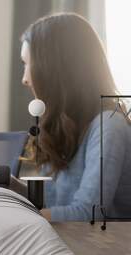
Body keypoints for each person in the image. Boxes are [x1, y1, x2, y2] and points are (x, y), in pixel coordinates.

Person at [17, 13, 131, 221]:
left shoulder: (109, 126)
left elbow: (88, 213)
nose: (25, 79)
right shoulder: (64, 125)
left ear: (55, 68)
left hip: (103, 250)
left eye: (28, 64)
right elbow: (52, 201)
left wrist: (20, 221)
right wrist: (0, 182)